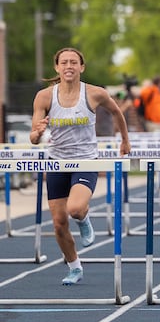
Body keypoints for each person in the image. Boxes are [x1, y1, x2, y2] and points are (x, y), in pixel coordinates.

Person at [29, 47, 131, 285]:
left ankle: (84, 219)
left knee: (74, 209)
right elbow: (33, 138)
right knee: (58, 223)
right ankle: (74, 267)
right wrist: (38, 132)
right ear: (57, 67)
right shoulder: (44, 97)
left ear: (81, 67)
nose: (68, 66)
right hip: (56, 162)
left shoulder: (94, 93)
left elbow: (117, 112)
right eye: (64, 62)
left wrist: (125, 140)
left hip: (85, 160)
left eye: (73, 62)